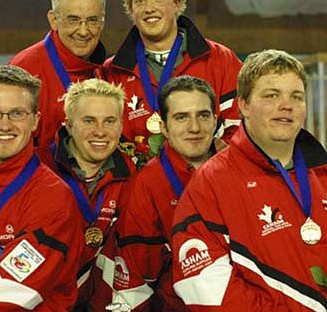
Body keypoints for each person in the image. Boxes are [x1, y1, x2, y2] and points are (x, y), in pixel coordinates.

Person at [172, 50, 327, 311]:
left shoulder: (321, 173)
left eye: (296, 97)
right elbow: (204, 284)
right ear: (243, 105)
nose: (286, 105)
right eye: (271, 95)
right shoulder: (211, 182)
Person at [0, 65, 85, 311]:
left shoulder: (53, 198)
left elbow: (6, 298)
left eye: (17, 113)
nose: (5, 124)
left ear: (35, 121)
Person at [107, 76, 220, 311]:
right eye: (181, 117)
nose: (195, 127)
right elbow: (134, 280)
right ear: (163, 127)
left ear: (216, 120)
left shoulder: (240, 172)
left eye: (203, 115)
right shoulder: (147, 184)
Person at [104, 0, 241, 150]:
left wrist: (214, 162)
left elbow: (240, 126)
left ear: (176, 3)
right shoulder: (111, 73)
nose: (148, 8)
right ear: (131, 10)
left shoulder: (220, 59)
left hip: (206, 174)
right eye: (139, 1)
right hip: (139, 178)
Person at [0, 0, 106, 149]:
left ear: (102, 22)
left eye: (92, 20)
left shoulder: (106, 71)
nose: (84, 31)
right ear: (54, 20)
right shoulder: (26, 68)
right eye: (73, 20)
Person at [36, 78, 135, 311]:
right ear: (69, 125)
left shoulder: (133, 177)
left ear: (121, 126)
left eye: (109, 121)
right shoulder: (37, 168)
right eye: (89, 120)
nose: (100, 131)